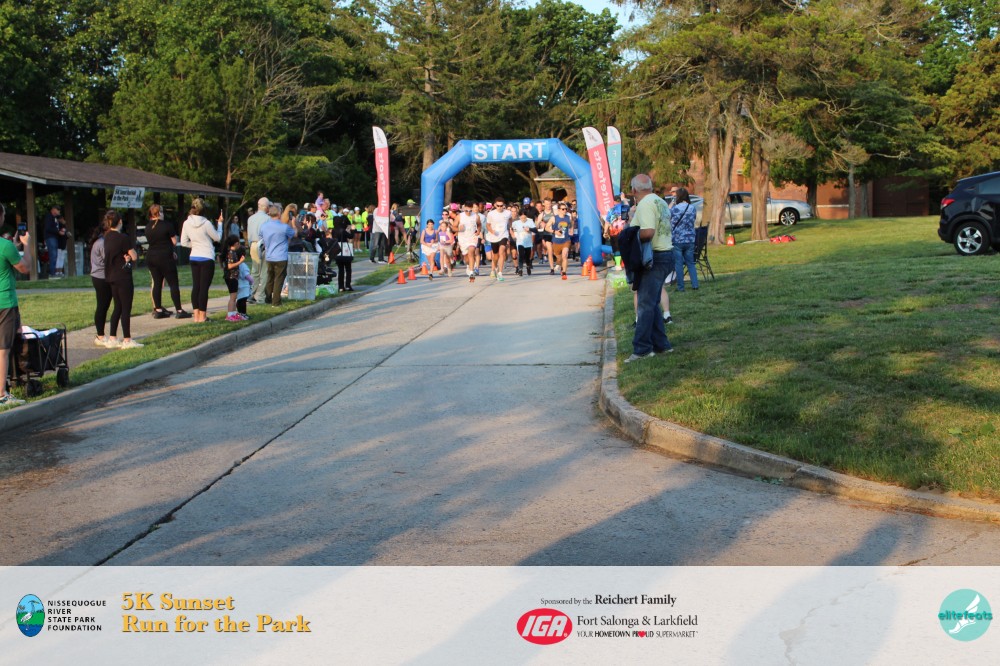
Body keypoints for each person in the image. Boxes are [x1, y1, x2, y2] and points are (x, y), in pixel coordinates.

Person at [627, 173, 674, 362]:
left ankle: (642, 349)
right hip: (666, 254)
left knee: (645, 304)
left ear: (633, 191)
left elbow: (648, 232)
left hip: (654, 257)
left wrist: (629, 236)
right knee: (652, 303)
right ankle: (662, 345)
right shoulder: (660, 201)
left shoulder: (645, 204)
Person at [0, 203, 30, 407]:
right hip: (5, 302)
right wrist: (26, 245)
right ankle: (1, 394)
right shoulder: (5, 245)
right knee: (3, 349)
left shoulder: (7, 246)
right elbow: (25, 268)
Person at [102, 210, 143, 349]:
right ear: (120, 222)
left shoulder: (107, 237)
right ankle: (127, 339)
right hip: (123, 276)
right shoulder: (123, 238)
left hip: (111, 275)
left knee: (117, 307)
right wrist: (129, 256)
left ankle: (112, 337)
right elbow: (134, 256)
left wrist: (125, 257)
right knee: (126, 308)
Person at [179, 198, 223, 323]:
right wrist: (220, 224)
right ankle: (203, 316)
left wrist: (194, 245)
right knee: (204, 288)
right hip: (207, 256)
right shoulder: (206, 223)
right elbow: (217, 238)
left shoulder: (186, 223)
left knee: (196, 287)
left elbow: (183, 242)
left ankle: (196, 316)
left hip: (194, 256)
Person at [145, 204, 190, 319]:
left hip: (151, 257)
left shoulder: (148, 227)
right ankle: (179, 310)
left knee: (157, 283)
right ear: (159, 213)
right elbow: (174, 241)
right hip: (165, 257)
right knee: (173, 283)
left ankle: (158, 309)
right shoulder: (167, 225)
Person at [259, 203, 295, 306]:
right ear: (279, 214)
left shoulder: (264, 226)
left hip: (269, 255)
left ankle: (268, 298)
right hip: (281, 256)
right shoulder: (284, 227)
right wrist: (292, 223)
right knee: (279, 279)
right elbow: (293, 234)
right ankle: (276, 301)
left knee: (270, 277)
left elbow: (261, 236)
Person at [88, 219, 114, 346]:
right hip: (101, 277)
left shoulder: (100, 241)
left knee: (104, 305)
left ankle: (101, 335)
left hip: (99, 276)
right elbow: (108, 260)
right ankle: (100, 335)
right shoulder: (102, 243)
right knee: (102, 306)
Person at [670, 187, 699, 292]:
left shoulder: (675, 208)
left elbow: (669, 219)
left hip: (677, 239)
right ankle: (695, 284)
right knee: (690, 263)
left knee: (678, 263)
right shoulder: (692, 208)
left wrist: (672, 203)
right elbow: (693, 220)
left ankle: (681, 287)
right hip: (690, 238)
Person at [246, 197, 270, 305]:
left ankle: (252, 293)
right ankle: (260, 296)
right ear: (266, 207)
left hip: (253, 244)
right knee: (264, 271)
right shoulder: (268, 219)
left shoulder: (250, 218)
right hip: (263, 245)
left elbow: (249, 235)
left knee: (255, 271)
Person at [485, 198, 511, 281]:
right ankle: (493, 269)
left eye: (501, 206)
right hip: (494, 236)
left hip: (504, 235)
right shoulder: (491, 214)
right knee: (495, 256)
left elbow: (510, 220)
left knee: (502, 251)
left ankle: (500, 273)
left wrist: (510, 228)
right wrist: (492, 231)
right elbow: (487, 225)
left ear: (504, 205)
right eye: (498, 206)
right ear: (495, 205)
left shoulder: (508, 213)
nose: (500, 207)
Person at [222, 235, 246, 321]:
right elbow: (230, 266)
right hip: (231, 276)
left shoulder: (231, 252)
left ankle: (233, 313)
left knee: (234, 296)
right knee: (233, 297)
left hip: (233, 276)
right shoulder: (231, 253)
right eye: (238, 243)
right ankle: (230, 315)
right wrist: (240, 262)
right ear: (236, 244)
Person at [457, 202, 481, 282]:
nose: (468, 212)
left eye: (470, 211)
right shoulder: (459, 216)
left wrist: (478, 231)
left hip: (472, 237)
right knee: (466, 258)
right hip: (463, 239)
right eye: (466, 211)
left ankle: (471, 273)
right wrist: (459, 229)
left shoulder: (476, 216)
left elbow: (479, 224)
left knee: (471, 252)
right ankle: (468, 265)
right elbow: (453, 227)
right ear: (464, 209)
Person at [332, 212, 355, 292]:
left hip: (337, 250)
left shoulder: (334, 230)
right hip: (345, 250)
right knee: (348, 269)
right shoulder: (343, 231)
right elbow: (351, 236)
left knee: (340, 269)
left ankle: (340, 286)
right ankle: (348, 285)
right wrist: (352, 230)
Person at [550, 202, 573, 278]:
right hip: (556, 241)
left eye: (566, 209)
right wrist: (554, 231)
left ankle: (564, 272)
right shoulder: (554, 218)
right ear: (559, 210)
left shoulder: (568, 217)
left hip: (566, 240)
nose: (565, 210)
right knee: (559, 258)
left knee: (564, 256)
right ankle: (560, 265)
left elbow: (571, 224)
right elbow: (546, 227)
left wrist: (571, 230)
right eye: (563, 209)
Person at [512, 208, 536, 276]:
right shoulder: (515, 223)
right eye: (521, 217)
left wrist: (529, 229)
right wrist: (514, 235)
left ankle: (528, 266)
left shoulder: (530, 221)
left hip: (528, 242)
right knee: (521, 255)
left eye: (524, 217)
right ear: (519, 216)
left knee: (527, 256)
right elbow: (513, 230)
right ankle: (520, 269)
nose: (523, 218)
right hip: (520, 241)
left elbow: (535, 230)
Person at [43, 205, 61, 278]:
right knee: (53, 255)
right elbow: (48, 228)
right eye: (58, 210)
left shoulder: (54, 218)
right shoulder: (49, 217)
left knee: (54, 255)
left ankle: (53, 272)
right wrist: (58, 231)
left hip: (53, 238)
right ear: (53, 209)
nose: (59, 211)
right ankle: (52, 273)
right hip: (50, 238)